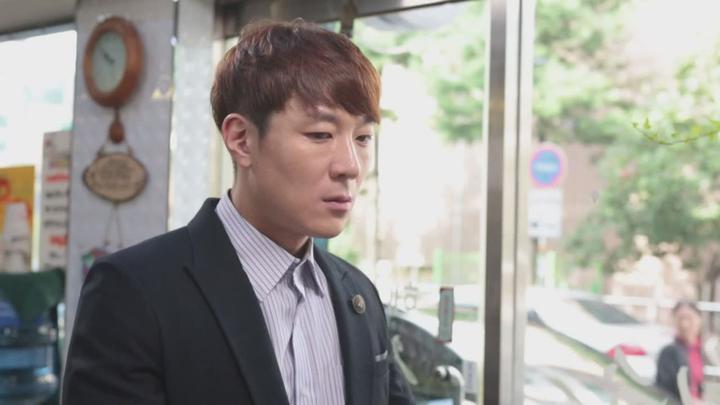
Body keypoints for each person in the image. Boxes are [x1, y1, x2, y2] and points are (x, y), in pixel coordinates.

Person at [62, 20, 415, 405]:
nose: (350, 166)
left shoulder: (358, 294)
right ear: (242, 140)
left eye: (363, 138)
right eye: (320, 135)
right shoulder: (133, 292)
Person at [656, 300, 707, 403]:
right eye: (680, 319)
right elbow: (665, 392)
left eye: (689, 318)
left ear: (699, 320)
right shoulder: (669, 352)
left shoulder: (700, 351)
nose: (685, 325)